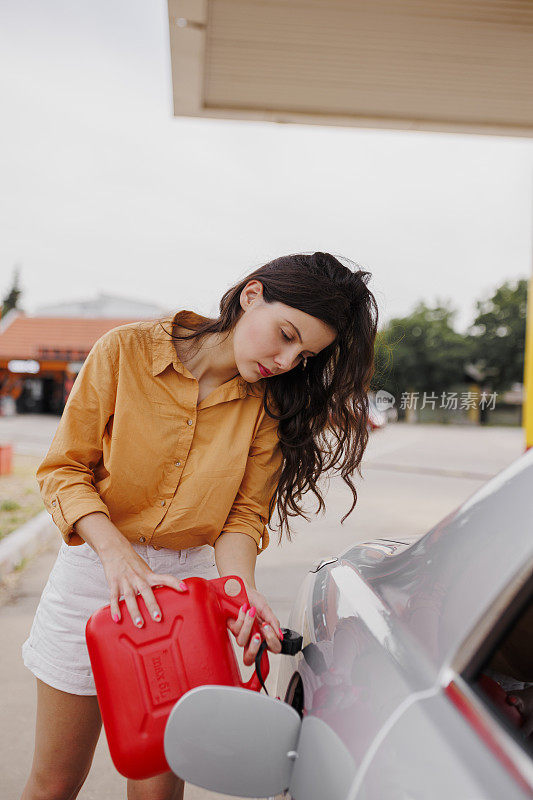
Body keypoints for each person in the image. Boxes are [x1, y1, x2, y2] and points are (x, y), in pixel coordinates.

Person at [20, 251, 378, 800]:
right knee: (55, 782)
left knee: (157, 792)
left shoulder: (269, 407)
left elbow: (242, 514)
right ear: (250, 295)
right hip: (94, 571)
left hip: (185, 595)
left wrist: (239, 588)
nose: (286, 361)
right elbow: (66, 469)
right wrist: (116, 554)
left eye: (304, 354)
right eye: (285, 334)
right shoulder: (126, 351)